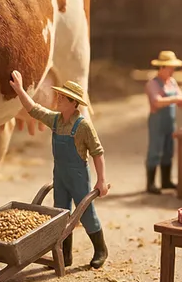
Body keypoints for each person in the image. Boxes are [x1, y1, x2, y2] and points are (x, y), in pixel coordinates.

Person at [9, 70, 109, 269]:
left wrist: (101, 180)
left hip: (78, 177)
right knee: (61, 214)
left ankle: (100, 250)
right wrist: (20, 90)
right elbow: (34, 109)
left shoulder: (83, 127)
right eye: (59, 96)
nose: (58, 100)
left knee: (86, 213)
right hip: (60, 175)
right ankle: (65, 255)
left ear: (73, 103)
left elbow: (98, 153)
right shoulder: (55, 120)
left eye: (63, 98)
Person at [145, 50, 182, 195]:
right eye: (169, 68)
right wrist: (176, 99)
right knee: (155, 150)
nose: (172, 71)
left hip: (170, 121)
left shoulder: (172, 82)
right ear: (161, 68)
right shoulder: (152, 84)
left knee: (168, 150)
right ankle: (151, 183)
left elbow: (180, 100)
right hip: (157, 121)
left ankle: (166, 180)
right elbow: (157, 102)